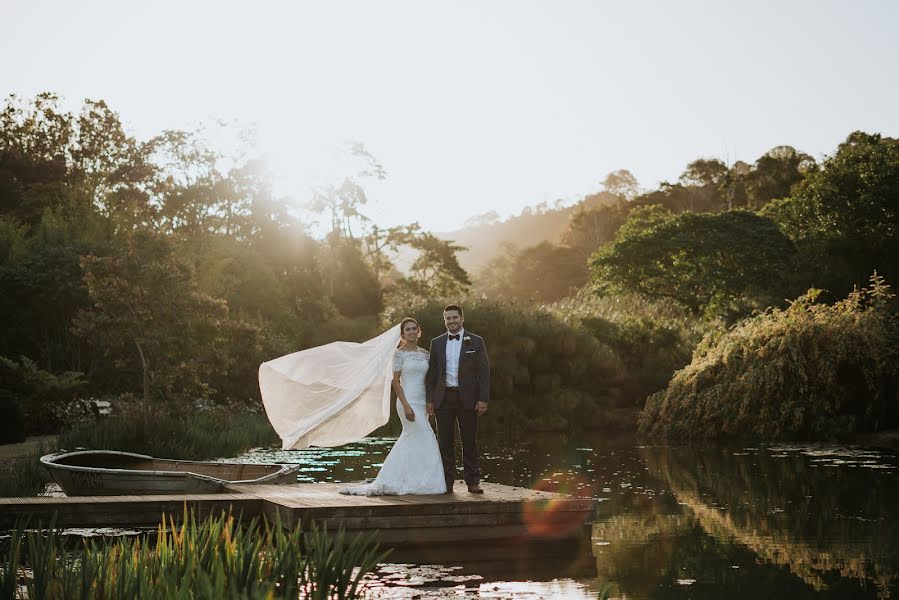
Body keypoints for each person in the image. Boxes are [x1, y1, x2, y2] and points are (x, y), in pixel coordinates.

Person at [338, 317, 446, 496]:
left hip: (421, 402)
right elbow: (395, 381)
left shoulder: (425, 354)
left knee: (416, 439)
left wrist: (430, 402)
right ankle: (390, 480)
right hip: (407, 401)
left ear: (418, 331)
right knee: (425, 436)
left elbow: (429, 381)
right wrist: (406, 405)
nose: (411, 332)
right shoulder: (399, 354)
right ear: (403, 334)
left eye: (413, 328)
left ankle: (417, 479)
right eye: (407, 330)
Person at [426, 304, 490, 494]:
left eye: (455, 317)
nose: (451, 321)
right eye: (448, 318)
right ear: (444, 320)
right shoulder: (436, 343)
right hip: (443, 398)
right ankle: (447, 482)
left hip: (468, 399)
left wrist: (483, 399)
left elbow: (484, 372)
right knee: (444, 442)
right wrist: (430, 400)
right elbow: (432, 374)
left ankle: (472, 481)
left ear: (462, 319)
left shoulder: (476, 342)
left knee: (469, 441)